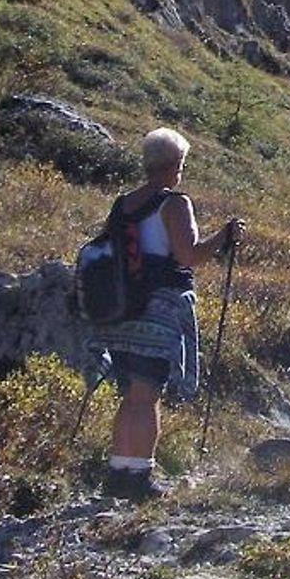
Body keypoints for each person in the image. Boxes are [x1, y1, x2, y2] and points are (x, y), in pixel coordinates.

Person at [90, 127, 242, 500]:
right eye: (181, 164)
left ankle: (118, 472)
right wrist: (224, 237)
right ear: (174, 164)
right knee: (148, 394)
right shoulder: (174, 204)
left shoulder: (123, 204)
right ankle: (140, 476)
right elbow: (188, 255)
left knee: (131, 394)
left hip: (121, 310)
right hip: (158, 309)